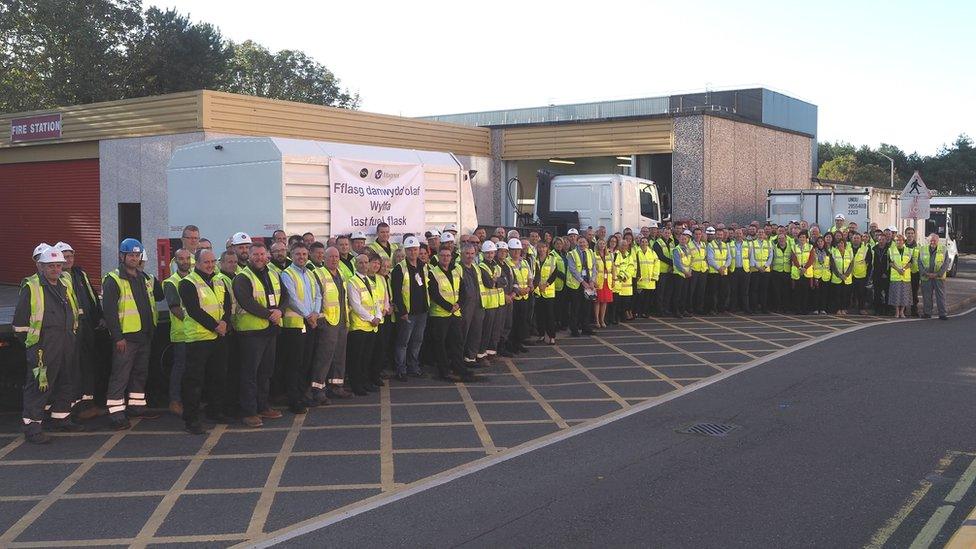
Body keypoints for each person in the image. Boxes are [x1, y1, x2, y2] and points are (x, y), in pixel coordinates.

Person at [14, 248, 83, 443]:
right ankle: (32, 428)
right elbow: (20, 325)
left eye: (58, 265)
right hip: (43, 346)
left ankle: (61, 418)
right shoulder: (32, 286)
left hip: (66, 341)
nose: (55, 269)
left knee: (66, 380)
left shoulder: (65, 283)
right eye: (50, 266)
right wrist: (34, 348)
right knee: (38, 386)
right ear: (41, 267)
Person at [102, 238, 160, 430]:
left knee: (139, 373)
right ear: (122, 256)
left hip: (144, 335)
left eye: (137, 255)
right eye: (131, 255)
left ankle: (136, 407)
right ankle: (116, 413)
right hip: (126, 338)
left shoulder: (143, 278)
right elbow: (109, 311)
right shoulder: (113, 279)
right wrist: (117, 337)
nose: (134, 259)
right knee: (120, 376)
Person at [178, 248, 232, 434]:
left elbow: (226, 304)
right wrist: (215, 326)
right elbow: (194, 310)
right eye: (206, 262)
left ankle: (215, 411)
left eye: (212, 261)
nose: (210, 265)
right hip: (198, 339)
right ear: (197, 263)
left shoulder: (219, 280)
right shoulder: (188, 283)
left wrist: (225, 322)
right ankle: (191, 419)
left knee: (218, 377)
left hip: (219, 337)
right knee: (194, 381)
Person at [232, 242, 285, 428]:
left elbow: (284, 296)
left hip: (270, 331)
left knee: (265, 372)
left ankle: (263, 406)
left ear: (267, 255)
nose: (259, 258)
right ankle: (249, 412)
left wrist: (280, 311)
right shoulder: (242, 277)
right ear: (249, 256)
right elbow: (246, 302)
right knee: (249, 374)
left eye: (262, 254)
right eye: (256, 255)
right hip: (251, 333)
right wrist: (270, 314)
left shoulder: (273, 273)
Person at [50, 241, 102, 419]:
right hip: (71, 328)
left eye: (71, 256)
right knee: (72, 366)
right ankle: (74, 406)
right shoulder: (58, 278)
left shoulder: (80, 274)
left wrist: (99, 316)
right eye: (65, 257)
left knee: (86, 362)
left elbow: (91, 295)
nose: (68, 260)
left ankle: (87, 403)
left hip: (86, 325)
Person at [426, 245, 483, 382]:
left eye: (448, 255)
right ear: (438, 257)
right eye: (443, 255)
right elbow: (434, 294)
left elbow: (463, 291)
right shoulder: (432, 272)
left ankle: (459, 368)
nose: (445, 258)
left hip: (455, 313)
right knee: (441, 344)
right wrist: (448, 306)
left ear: (451, 257)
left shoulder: (455, 271)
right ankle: (444, 371)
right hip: (440, 314)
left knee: (457, 342)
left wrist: (458, 304)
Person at [279, 243, 321, 412]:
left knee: (306, 362)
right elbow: (291, 299)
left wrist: (316, 313)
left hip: (310, 323)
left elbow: (318, 295)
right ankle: (294, 400)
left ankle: (304, 395)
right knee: (294, 364)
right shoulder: (287, 274)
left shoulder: (310, 273)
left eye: (304, 254)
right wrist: (308, 315)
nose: (302, 257)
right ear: (292, 255)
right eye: (298, 254)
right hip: (294, 326)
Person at [310, 246, 352, 398]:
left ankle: (336, 386)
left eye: (337, 257)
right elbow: (316, 298)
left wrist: (346, 321)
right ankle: (318, 389)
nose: (334, 259)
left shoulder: (340, 273)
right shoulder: (318, 274)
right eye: (331, 257)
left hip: (341, 322)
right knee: (324, 357)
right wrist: (321, 320)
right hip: (327, 323)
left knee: (340, 356)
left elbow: (343, 299)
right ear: (324, 258)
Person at [391, 236, 428, 381]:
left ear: (419, 250)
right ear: (405, 251)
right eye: (410, 250)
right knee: (403, 343)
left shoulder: (423, 266)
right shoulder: (399, 269)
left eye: (415, 249)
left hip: (422, 311)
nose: (413, 252)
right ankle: (401, 369)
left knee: (417, 341)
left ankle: (414, 366)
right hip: (408, 313)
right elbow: (396, 292)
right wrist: (402, 311)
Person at [345, 253, 383, 395]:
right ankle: (357, 385)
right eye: (360, 263)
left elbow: (376, 302)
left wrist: (378, 316)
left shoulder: (370, 281)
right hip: (359, 326)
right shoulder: (352, 281)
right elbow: (356, 305)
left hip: (372, 326)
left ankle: (365, 382)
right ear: (355, 264)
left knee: (367, 357)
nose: (364, 265)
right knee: (357, 358)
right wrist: (372, 318)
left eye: (366, 262)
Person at [163, 248, 192, 416]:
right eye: (181, 258)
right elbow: (175, 308)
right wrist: (194, 320)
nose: (185, 261)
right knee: (179, 368)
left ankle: (187, 400)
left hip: (196, 333)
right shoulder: (171, 282)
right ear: (176, 261)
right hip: (181, 333)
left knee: (191, 369)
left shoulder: (194, 278)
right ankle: (174, 401)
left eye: (188, 258)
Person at [459, 243, 489, 362]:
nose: (470, 256)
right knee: (463, 332)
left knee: (476, 331)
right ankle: (459, 359)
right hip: (465, 305)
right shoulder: (458, 268)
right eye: (467, 253)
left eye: (472, 253)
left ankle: (471, 357)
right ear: (462, 254)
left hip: (478, 304)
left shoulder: (476, 267)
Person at [507, 239, 532, 353]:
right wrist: (518, 290)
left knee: (522, 321)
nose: (517, 252)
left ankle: (519, 343)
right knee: (513, 322)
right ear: (509, 251)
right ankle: (511, 344)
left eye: (518, 250)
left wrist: (529, 286)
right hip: (514, 297)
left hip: (524, 296)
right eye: (514, 250)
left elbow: (530, 276)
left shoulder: (524, 262)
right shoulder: (507, 263)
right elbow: (509, 281)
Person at [478, 240, 502, 357]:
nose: (490, 255)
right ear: (483, 254)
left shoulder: (496, 266)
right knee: (486, 330)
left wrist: (497, 281)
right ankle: (481, 353)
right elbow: (488, 283)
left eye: (492, 253)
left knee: (493, 330)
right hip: (487, 304)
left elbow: (504, 281)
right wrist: (497, 281)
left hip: (496, 303)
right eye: (487, 253)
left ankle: (490, 352)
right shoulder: (481, 266)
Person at [918, 233, 950, 320]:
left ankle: (942, 314)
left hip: (939, 277)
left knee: (941, 296)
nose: (932, 242)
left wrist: (938, 274)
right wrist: (926, 273)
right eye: (931, 240)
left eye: (934, 240)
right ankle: (927, 313)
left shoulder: (943, 249)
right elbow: (919, 263)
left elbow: (946, 264)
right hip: (926, 277)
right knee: (927, 296)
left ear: (938, 241)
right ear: (928, 240)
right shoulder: (922, 249)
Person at [534, 241, 559, 344]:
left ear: (547, 248)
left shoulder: (553, 259)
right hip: (537, 291)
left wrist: (546, 284)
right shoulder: (534, 260)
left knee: (550, 315)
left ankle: (552, 336)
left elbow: (554, 274)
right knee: (539, 315)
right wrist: (538, 285)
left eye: (543, 247)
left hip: (548, 291)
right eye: (539, 247)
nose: (541, 249)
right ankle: (541, 335)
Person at [705, 227, 731, 315]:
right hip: (714, 272)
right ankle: (712, 309)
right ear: (715, 235)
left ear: (723, 235)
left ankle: (721, 309)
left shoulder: (725, 245)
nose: (719, 236)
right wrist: (719, 268)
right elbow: (710, 259)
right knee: (713, 292)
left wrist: (724, 267)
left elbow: (729, 258)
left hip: (723, 272)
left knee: (723, 292)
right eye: (718, 234)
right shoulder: (711, 245)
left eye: (721, 234)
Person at [888, 234, 913, 318]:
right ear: (895, 242)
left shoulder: (909, 250)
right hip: (895, 276)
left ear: (903, 241)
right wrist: (898, 270)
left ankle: (902, 312)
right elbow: (890, 263)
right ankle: (897, 312)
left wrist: (904, 269)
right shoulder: (891, 250)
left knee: (904, 295)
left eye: (900, 240)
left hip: (905, 276)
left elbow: (910, 263)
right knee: (896, 295)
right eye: (897, 240)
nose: (899, 242)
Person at [789, 231, 815, 315]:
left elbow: (811, 259)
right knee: (797, 292)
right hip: (797, 272)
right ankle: (797, 309)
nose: (802, 239)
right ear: (798, 238)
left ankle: (805, 309)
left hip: (807, 272)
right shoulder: (794, 247)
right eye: (800, 237)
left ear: (807, 239)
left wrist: (805, 268)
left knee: (805, 292)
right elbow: (794, 258)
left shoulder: (810, 247)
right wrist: (800, 268)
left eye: (804, 237)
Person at [671, 230, 694, 318]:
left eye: (685, 239)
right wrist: (686, 272)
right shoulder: (676, 249)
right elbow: (678, 264)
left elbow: (691, 260)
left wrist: (690, 271)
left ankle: (683, 310)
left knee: (684, 294)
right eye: (681, 239)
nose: (683, 240)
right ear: (679, 240)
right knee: (678, 294)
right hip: (679, 274)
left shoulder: (687, 248)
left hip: (687, 274)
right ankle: (676, 311)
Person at [634, 236, 659, 318]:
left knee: (648, 298)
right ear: (639, 243)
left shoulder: (652, 252)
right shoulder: (636, 252)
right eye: (642, 242)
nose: (644, 243)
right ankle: (638, 312)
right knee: (639, 298)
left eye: (645, 242)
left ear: (648, 243)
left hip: (650, 280)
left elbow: (656, 264)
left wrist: (655, 275)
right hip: (640, 280)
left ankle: (645, 312)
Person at [728, 229, 751, 314]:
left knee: (745, 291)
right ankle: (733, 308)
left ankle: (746, 308)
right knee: (734, 290)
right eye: (737, 233)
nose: (738, 235)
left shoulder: (747, 244)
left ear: (742, 234)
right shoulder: (730, 244)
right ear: (734, 234)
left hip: (745, 269)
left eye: (740, 233)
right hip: (734, 269)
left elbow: (750, 256)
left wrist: (750, 269)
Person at [829, 237, 854, 315]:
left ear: (845, 244)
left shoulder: (849, 252)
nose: (840, 244)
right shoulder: (834, 252)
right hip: (837, 277)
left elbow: (851, 265)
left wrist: (845, 275)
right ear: (836, 244)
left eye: (842, 243)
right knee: (837, 295)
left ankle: (844, 308)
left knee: (845, 294)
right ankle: (837, 309)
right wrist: (839, 275)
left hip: (847, 278)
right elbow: (832, 265)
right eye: (839, 243)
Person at [613, 238, 637, 321]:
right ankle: (617, 316)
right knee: (617, 302)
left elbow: (631, 267)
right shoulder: (616, 255)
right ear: (619, 246)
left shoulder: (629, 256)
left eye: (625, 245)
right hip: (618, 282)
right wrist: (621, 275)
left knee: (626, 302)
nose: (624, 247)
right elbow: (615, 267)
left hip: (626, 283)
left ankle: (623, 315)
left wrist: (624, 276)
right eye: (622, 245)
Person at [594, 238, 614, 328]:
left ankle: (602, 319)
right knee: (597, 301)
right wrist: (593, 281)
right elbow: (592, 269)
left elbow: (613, 268)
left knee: (605, 301)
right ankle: (597, 320)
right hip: (598, 281)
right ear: (597, 245)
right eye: (600, 243)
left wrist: (613, 279)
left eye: (603, 243)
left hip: (607, 281)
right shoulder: (594, 255)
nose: (602, 245)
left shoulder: (609, 255)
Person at [770, 232, 792, 313]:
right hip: (776, 271)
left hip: (787, 271)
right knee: (776, 291)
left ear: (786, 239)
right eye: (779, 238)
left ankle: (785, 308)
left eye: (783, 238)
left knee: (786, 291)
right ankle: (777, 307)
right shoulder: (774, 247)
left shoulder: (790, 247)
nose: (781, 240)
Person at [687, 228, 708, 315]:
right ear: (693, 235)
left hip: (703, 270)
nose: (698, 236)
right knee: (691, 291)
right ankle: (690, 308)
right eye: (696, 234)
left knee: (701, 290)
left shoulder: (703, 244)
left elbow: (705, 257)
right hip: (693, 270)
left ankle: (699, 308)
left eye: (699, 234)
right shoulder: (689, 244)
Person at [904, 227, 921, 316]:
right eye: (908, 233)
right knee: (905, 292)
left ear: (914, 235)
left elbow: (921, 261)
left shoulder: (918, 247)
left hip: (915, 273)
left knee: (914, 292)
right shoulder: (902, 246)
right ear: (905, 234)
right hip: (904, 272)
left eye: (911, 233)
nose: (910, 235)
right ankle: (904, 310)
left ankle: (914, 310)